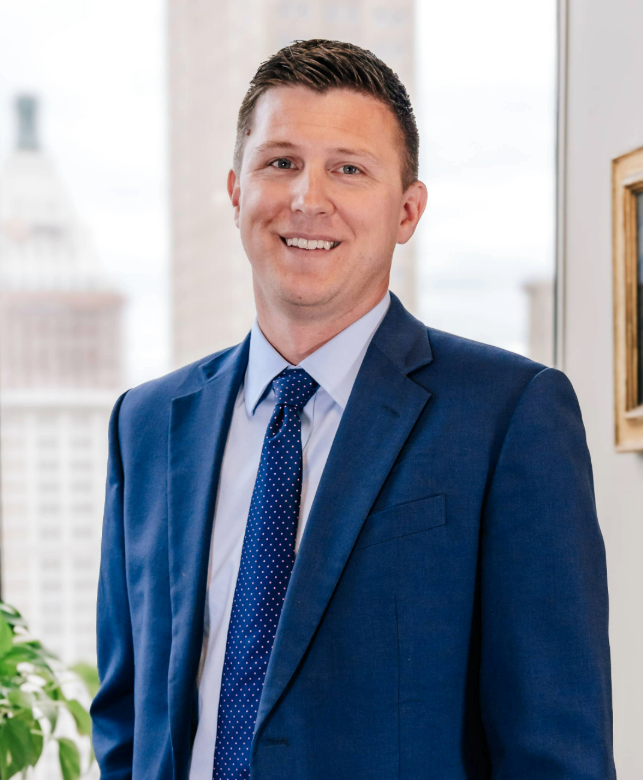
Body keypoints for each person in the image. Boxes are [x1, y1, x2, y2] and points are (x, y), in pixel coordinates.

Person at [91, 39, 616, 780]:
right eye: (280, 162)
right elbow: (125, 720)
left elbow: (555, 754)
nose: (308, 199)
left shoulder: (508, 416)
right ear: (236, 191)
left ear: (407, 210)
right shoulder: (145, 424)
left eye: (349, 169)